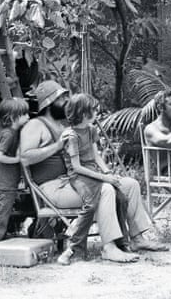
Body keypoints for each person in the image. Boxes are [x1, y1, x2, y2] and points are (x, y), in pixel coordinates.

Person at [20, 80, 166, 265]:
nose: (67, 101)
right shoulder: (35, 126)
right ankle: (110, 247)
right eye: (61, 98)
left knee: (130, 184)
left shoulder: (68, 125)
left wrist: (107, 171)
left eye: (67, 96)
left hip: (76, 181)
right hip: (52, 188)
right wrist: (57, 145)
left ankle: (137, 239)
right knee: (105, 189)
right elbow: (24, 158)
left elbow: (91, 154)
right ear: (48, 103)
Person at [58, 94, 127, 264]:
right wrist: (104, 178)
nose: (97, 112)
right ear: (83, 113)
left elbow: (96, 156)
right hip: (79, 176)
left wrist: (108, 173)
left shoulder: (91, 130)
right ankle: (74, 247)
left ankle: (121, 243)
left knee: (121, 197)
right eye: (93, 110)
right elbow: (76, 167)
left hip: (93, 172)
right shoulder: (71, 136)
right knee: (90, 204)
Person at [0, 98, 29, 241]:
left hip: (6, 182)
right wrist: (16, 160)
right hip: (5, 183)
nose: (28, 117)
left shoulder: (11, 132)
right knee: (2, 212)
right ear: (13, 117)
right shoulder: (9, 134)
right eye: (24, 114)